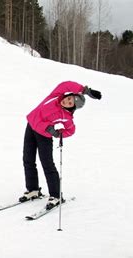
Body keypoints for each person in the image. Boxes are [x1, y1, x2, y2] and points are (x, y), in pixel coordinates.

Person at [19, 81, 102, 210]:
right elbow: (66, 84)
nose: (67, 101)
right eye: (69, 98)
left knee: (47, 164)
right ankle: (33, 190)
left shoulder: (66, 117)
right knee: (28, 160)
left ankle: (56, 195)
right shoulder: (56, 95)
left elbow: (71, 130)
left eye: (70, 103)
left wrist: (58, 133)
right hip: (30, 126)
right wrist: (85, 90)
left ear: (72, 108)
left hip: (44, 135)